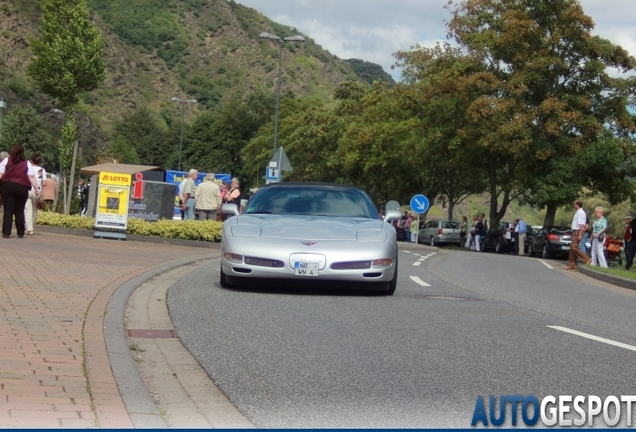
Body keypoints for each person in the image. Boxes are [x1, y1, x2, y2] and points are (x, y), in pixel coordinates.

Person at [0, 145, 41, 238]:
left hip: (8, 186)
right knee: (19, 210)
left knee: (8, 210)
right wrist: (36, 188)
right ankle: (20, 232)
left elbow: (1, 174)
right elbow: (31, 177)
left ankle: (6, 233)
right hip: (22, 187)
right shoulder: (27, 163)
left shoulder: (6, 161)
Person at [24, 153, 47, 235]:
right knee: (35, 210)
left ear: (31, 160)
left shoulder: (27, 168)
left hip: (28, 190)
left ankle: (29, 229)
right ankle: (32, 228)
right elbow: (44, 183)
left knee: (27, 209)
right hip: (37, 191)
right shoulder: (42, 170)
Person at [567, 200, 592, 270]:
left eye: (574, 204)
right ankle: (572, 264)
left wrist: (580, 234)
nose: (573, 205)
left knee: (574, 247)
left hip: (577, 231)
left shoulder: (581, 213)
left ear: (577, 205)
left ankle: (586, 259)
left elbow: (581, 224)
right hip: (575, 231)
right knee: (571, 248)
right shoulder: (577, 212)